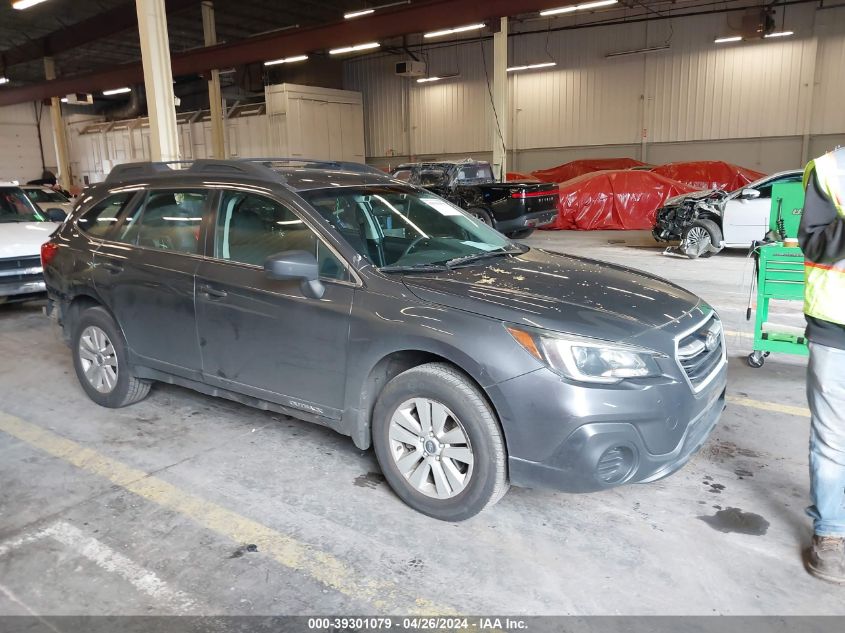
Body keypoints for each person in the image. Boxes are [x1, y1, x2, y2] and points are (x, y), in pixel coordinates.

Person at [798, 146, 845, 584]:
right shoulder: (831, 171)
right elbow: (812, 244)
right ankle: (831, 532)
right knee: (833, 438)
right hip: (837, 326)